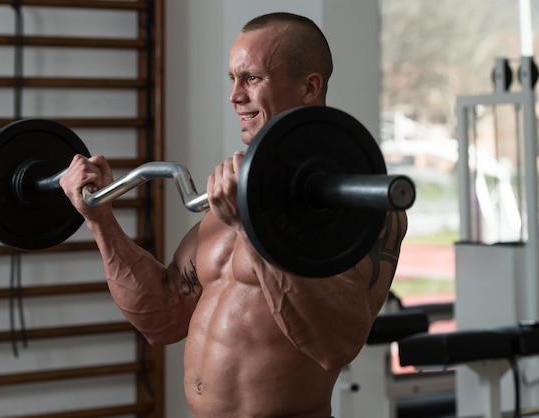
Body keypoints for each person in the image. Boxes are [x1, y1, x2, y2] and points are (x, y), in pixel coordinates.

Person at [60, 12, 408, 418]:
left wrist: (250, 227)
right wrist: (100, 221)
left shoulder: (357, 206)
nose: (235, 95)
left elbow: (336, 346)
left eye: (253, 78)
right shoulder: (237, 192)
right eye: (232, 79)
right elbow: (163, 318)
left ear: (309, 86)